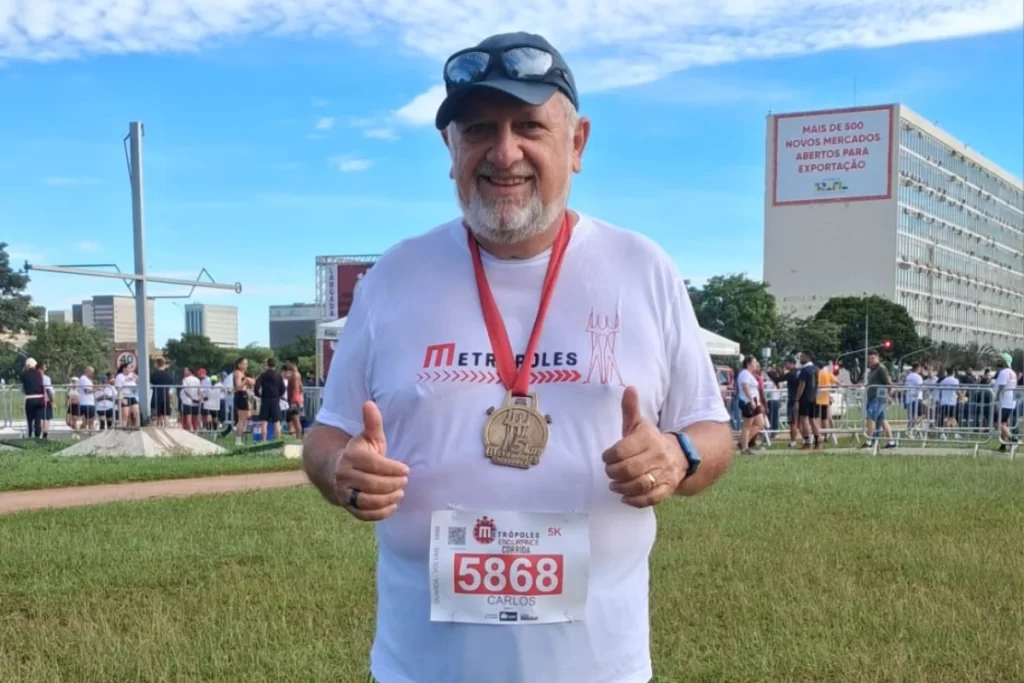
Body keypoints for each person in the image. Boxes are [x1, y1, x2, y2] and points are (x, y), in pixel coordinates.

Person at [301, 32, 733, 683]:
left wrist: (678, 455)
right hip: (423, 669)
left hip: (600, 668)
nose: (505, 153)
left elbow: (712, 430)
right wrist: (339, 468)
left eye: (529, 125)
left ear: (577, 143)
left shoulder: (642, 269)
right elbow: (327, 433)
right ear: (450, 149)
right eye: (479, 129)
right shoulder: (394, 276)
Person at [862, 350, 896, 449]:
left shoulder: (881, 368)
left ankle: (869, 441)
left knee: (871, 417)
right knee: (882, 420)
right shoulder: (872, 370)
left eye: (872, 358)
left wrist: (889, 395)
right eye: (869, 359)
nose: (870, 360)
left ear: (878, 358)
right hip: (873, 397)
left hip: (878, 397)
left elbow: (889, 382)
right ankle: (891, 441)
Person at [254, 357, 285, 441]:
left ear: (267, 364)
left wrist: (259, 395)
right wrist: (278, 395)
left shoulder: (263, 375)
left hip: (265, 399)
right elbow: (283, 388)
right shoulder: (278, 375)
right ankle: (278, 440)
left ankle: (263, 440)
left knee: (264, 421)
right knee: (276, 421)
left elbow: (256, 387)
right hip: (275, 400)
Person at [736, 355, 763, 454]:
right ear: (748, 364)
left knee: (760, 423)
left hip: (754, 401)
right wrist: (751, 400)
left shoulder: (749, 374)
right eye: (754, 362)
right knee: (747, 426)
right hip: (747, 401)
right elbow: (745, 387)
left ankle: (742, 442)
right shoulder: (745, 374)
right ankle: (744, 448)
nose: (756, 364)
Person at [793, 351, 819, 450]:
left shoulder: (804, 370)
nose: (800, 358)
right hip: (813, 397)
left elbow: (802, 385)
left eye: (802, 356)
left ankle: (807, 442)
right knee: (812, 420)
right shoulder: (816, 369)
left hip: (805, 398)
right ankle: (817, 441)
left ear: (807, 357)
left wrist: (797, 398)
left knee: (804, 419)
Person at [993, 353, 1018, 452]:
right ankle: (1003, 445)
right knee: (1003, 424)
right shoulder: (1013, 372)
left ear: (1005, 362)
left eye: (1000, 359)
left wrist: (997, 400)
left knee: (997, 423)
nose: (998, 361)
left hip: (1003, 401)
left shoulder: (1004, 372)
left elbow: (1001, 387)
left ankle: (1013, 439)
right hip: (1009, 401)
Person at [20, 357, 45, 439]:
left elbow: (22, 377)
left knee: (29, 420)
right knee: (38, 420)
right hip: (40, 399)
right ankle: (38, 436)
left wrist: (25, 368)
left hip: (30, 399)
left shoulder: (24, 374)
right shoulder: (39, 374)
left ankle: (30, 435)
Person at [231, 358, 252, 445]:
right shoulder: (238, 373)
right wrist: (246, 380)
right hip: (240, 395)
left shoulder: (243, 373)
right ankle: (238, 439)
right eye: (243, 364)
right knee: (242, 419)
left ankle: (239, 433)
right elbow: (239, 386)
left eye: (246, 364)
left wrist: (250, 382)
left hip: (244, 394)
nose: (245, 366)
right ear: (239, 364)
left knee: (247, 415)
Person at [150, 357, 175, 427]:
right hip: (166, 398)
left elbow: (150, 386)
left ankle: (154, 431)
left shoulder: (153, 375)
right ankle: (168, 431)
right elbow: (170, 388)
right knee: (166, 416)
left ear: (156, 364)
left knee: (154, 417)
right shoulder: (168, 376)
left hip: (156, 398)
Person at [78, 367, 97, 432]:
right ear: (87, 371)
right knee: (89, 421)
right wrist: (96, 389)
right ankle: (78, 431)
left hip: (90, 403)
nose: (93, 374)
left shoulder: (88, 380)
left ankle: (91, 434)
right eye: (92, 372)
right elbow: (86, 391)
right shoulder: (83, 379)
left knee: (91, 421)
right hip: (86, 403)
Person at [40, 362, 54, 439]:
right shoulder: (46, 378)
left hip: (38, 399)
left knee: (41, 418)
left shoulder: (35, 377)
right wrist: (52, 402)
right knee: (46, 418)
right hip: (45, 400)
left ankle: (41, 433)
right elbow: (48, 390)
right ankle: (44, 434)